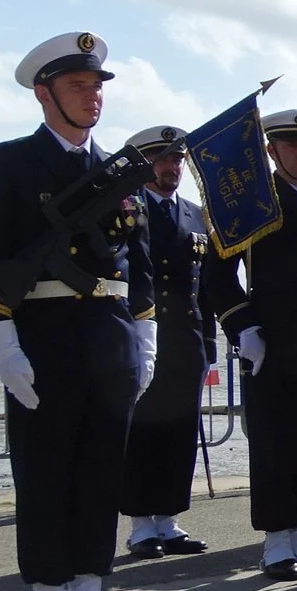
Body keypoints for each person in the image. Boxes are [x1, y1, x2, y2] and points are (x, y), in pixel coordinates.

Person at [0, 32, 156, 591]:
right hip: (44, 337)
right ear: (44, 93)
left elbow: (142, 267)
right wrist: (1, 342)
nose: (92, 96)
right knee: (46, 470)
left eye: (97, 86)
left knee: (102, 469)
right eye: (78, 85)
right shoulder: (8, 163)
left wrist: (145, 335)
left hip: (109, 338)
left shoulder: (119, 173)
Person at [206, 107, 297, 581]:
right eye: (293, 146)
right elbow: (217, 277)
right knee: (275, 446)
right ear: (271, 151)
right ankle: (274, 544)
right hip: (274, 342)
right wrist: (242, 327)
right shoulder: (250, 201)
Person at [116, 124, 215, 558]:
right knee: (143, 433)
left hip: (187, 338)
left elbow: (205, 283)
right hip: (145, 335)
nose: (170, 168)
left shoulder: (195, 213)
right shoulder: (128, 210)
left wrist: (208, 342)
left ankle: (169, 520)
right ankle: (141, 525)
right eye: (161, 160)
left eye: (176, 160)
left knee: (179, 433)